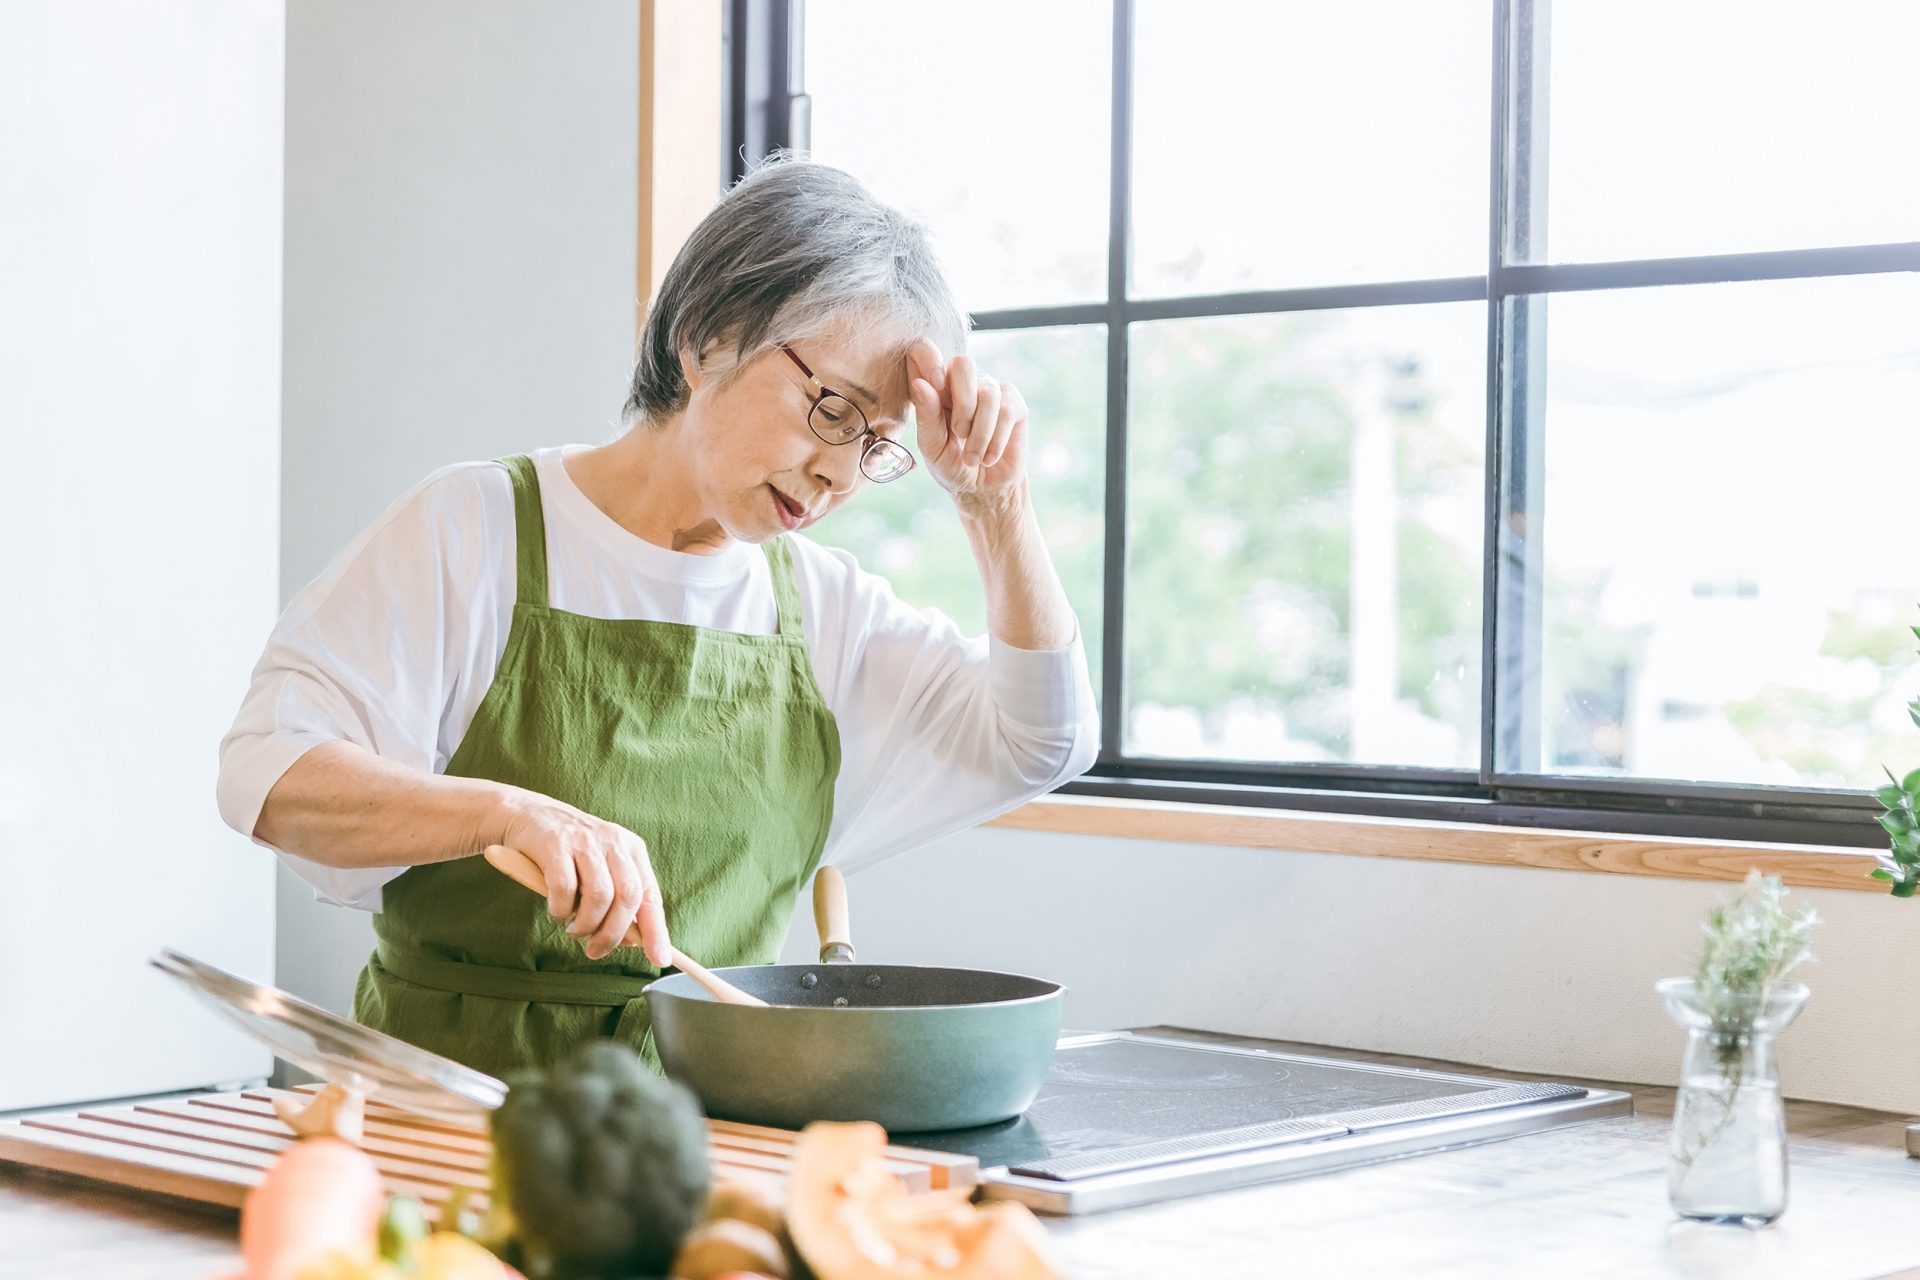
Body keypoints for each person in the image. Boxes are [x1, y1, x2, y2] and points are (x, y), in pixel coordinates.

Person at [216, 157, 1099, 1076]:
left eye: (875, 445)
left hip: (707, 1126)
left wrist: (996, 509)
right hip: (445, 1115)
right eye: (833, 410)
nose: (842, 473)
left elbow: (1046, 739)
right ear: (709, 336)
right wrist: (506, 815)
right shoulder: (472, 530)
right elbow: (269, 777)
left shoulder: (827, 613)